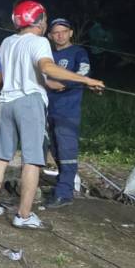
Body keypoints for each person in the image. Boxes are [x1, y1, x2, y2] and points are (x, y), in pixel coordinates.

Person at [0, 0, 104, 230]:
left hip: (6, 102)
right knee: (33, 160)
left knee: (1, 157)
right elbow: (47, 68)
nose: (47, 25)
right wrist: (87, 80)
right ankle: (24, 215)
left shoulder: (7, 42)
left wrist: (60, 83)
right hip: (29, 102)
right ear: (38, 21)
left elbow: (40, 76)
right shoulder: (39, 42)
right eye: (45, 20)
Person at [45, 18, 91, 208]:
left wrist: (63, 84)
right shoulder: (47, 55)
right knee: (55, 150)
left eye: (64, 31)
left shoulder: (78, 52)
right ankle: (64, 184)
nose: (60, 35)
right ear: (50, 35)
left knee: (67, 152)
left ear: (71, 32)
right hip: (48, 109)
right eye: (56, 32)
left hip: (68, 110)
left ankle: (64, 193)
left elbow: (84, 72)